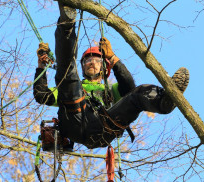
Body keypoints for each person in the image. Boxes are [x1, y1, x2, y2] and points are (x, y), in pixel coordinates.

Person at [33, 3, 189, 149]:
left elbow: (129, 87)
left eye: (96, 60)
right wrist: (41, 67)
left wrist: (112, 57)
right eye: (87, 60)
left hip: (103, 127)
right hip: (74, 118)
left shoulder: (110, 90)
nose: (91, 63)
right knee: (68, 73)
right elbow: (42, 95)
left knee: (139, 93)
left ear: (104, 66)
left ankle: (165, 102)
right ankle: (66, 24)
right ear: (83, 66)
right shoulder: (76, 86)